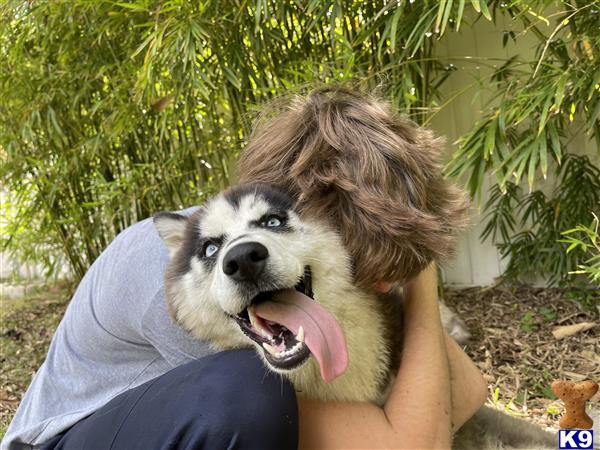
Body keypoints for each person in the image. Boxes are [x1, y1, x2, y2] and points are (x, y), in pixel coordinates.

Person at [2, 88, 487, 450]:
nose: (381, 286)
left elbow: (466, 392)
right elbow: (409, 442)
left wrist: (421, 271)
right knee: (251, 395)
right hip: (64, 440)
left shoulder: (296, 258)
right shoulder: (195, 284)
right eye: (368, 267)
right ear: (300, 214)